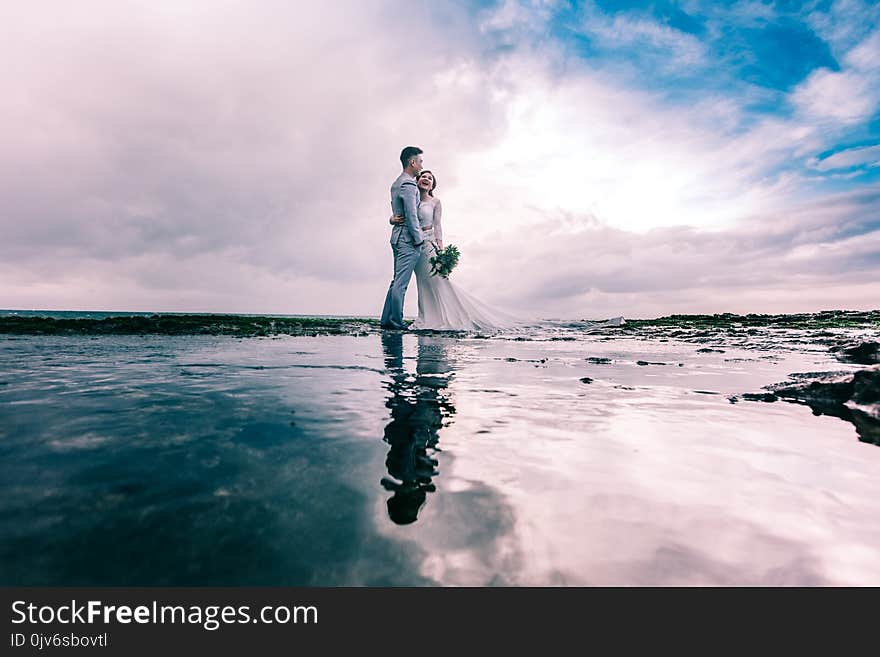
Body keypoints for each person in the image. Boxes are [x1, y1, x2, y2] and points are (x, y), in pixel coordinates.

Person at [390, 169, 517, 331]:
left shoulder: (435, 202)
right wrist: (392, 219)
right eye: (423, 176)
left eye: (430, 178)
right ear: (417, 180)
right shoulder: (411, 198)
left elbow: (437, 225)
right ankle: (427, 317)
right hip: (412, 245)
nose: (426, 179)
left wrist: (441, 250)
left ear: (432, 185)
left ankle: (451, 317)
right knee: (423, 283)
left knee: (439, 281)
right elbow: (400, 215)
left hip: (429, 245)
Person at [379, 146, 425, 330]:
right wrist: (418, 238)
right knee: (401, 283)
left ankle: (386, 320)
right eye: (420, 161)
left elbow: (396, 210)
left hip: (397, 237)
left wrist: (392, 219)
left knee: (396, 280)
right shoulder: (408, 184)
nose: (421, 165)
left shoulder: (396, 183)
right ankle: (396, 322)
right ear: (412, 162)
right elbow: (411, 213)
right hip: (407, 238)